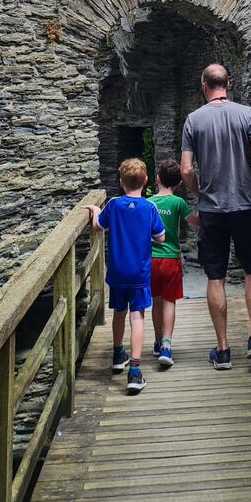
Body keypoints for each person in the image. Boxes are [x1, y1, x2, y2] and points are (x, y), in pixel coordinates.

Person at [180, 63, 251, 371]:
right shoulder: (246, 114)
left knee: (216, 276)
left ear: (204, 86)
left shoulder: (193, 120)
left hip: (213, 211)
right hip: (245, 206)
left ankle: (223, 349)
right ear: (228, 84)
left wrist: (200, 193)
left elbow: (186, 170)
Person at [86, 158, 165, 394]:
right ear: (146, 181)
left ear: (120, 182)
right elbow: (160, 236)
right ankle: (135, 372)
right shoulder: (149, 208)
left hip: (118, 271)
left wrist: (95, 210)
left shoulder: (114, 204)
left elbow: (98, 226)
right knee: (137, 316)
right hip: (139, 273)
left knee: (118, 312)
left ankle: (119, 354)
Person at [149, 158, 200, 367]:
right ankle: (167, 346)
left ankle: (157, 339)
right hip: (171, 259)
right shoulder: (178, 203)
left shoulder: (149, 203)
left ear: (157, 179)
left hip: (150, 259)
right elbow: (195, 222)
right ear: (179, 183)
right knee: (170, 302)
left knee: (156, 302)